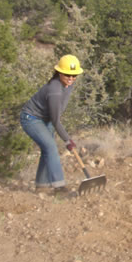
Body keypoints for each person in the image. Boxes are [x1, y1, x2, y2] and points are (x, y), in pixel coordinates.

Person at [20, 55, 83, 196]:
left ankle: (41, 185)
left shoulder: (68, 85)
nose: (71, 78)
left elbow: (57, 113)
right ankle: (59, 188)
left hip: (46, 119)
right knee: (51, 147)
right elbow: (56, 120)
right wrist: (67, 140)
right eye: (67, 74)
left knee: (47, 150)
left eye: (74, 75)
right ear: (59, 72)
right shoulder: (54, 89)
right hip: (31, 118)